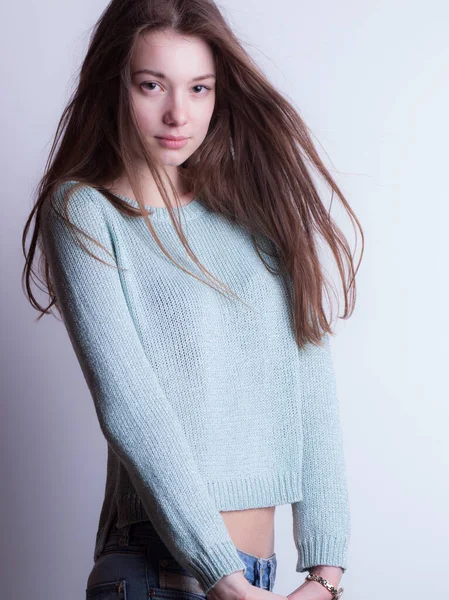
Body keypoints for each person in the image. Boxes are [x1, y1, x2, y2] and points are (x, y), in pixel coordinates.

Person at [21, 0, 363, 598]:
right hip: (163, 573)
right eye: (152, 85)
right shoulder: (86, 212)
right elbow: (130, 404)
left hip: (264, 578)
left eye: (199, 88)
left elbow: (311, 388)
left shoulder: (254, 217)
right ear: (115, 84)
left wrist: (326, 572)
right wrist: (222, 576)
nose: (178, 112)